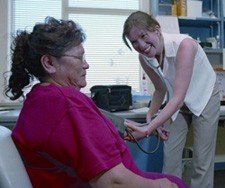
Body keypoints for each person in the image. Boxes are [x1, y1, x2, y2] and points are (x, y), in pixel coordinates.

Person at [4, 16, 186, 188]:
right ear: (49, 63)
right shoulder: (66, 102)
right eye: (79, 57)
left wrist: (142, 129)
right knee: (174, 183)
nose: (86, 64)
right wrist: (157, 186)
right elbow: (113, 182)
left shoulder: (41, 98)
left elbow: (94, 128)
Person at [122, 11, 220, 188]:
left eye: (144, 36)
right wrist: (150, 116)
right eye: (134, 42)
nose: (141, 45)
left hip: (203, 97)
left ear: (156, 30)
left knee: (201, 161)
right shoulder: (144, 57)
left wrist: (146, 130)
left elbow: (177, 99)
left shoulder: (185, 45)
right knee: (170, 158)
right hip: (177, 100)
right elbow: (160, 89)